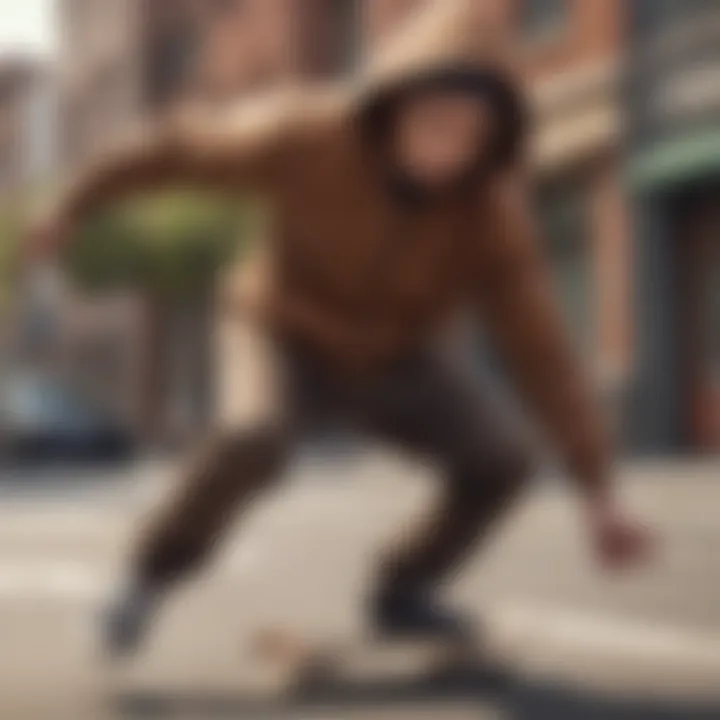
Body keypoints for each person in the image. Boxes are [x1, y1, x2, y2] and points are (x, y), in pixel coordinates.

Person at [29, 0, 653, 656]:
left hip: (396, 358)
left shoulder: (489, 218)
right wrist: (75, 206)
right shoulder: (310, 136)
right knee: (253, 438)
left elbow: (543, 351)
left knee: (502, 458)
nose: (450, 152)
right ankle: (146, 579)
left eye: (473, 137)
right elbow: (180, 149)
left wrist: (598, 491)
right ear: (394, 109)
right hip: (281, 328)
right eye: (436, 125)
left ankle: (405, 588)